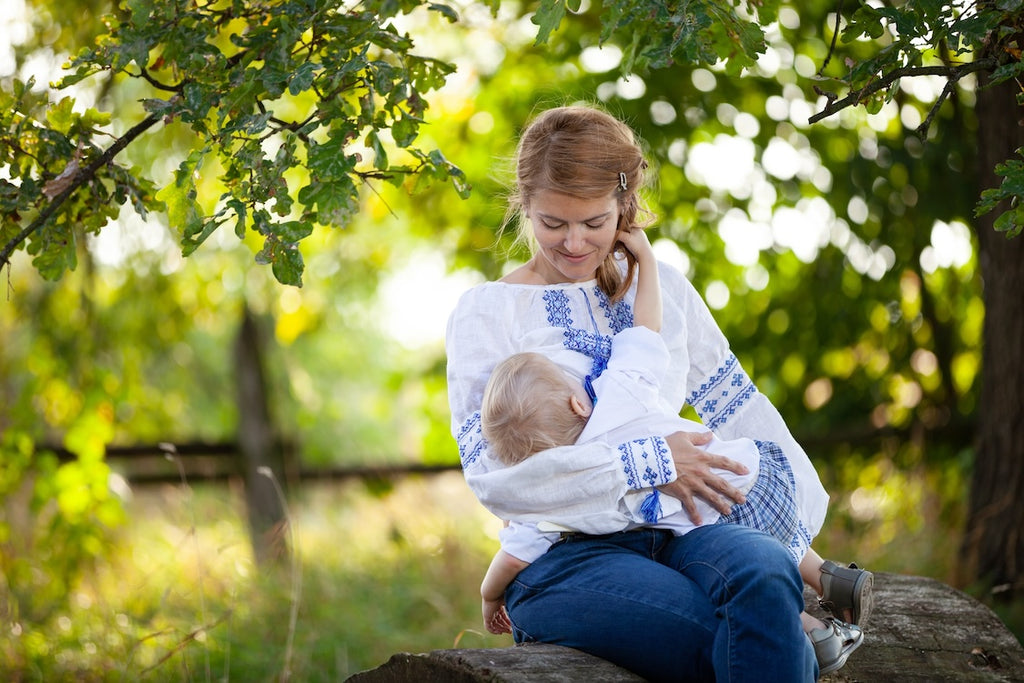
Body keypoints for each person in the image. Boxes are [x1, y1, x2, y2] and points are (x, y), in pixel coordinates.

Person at [446, 104, 826, 681]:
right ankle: (810, 643)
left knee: (766, 572)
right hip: (563, 557)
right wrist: (645, 462)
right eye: (553, 223)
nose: (573, 243)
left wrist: (797, 517)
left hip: (683, 525)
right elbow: (497, 479)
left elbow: (735, 406)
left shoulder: (662, 288)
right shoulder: (486, 313)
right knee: (725, 629)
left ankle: (803, 629)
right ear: (524, 206)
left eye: (594, 223)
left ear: (624, 210)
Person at [476, 224, 870, 674]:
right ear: (578, 400)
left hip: (703, 501)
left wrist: (490, 597)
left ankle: (815, 629)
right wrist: (644, 262)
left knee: (737, 562)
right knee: (755, 573)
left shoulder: (563, 488)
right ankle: (824, 589)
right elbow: (647, 327)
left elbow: (512, 555)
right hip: (739, 470)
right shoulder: (619, 389)